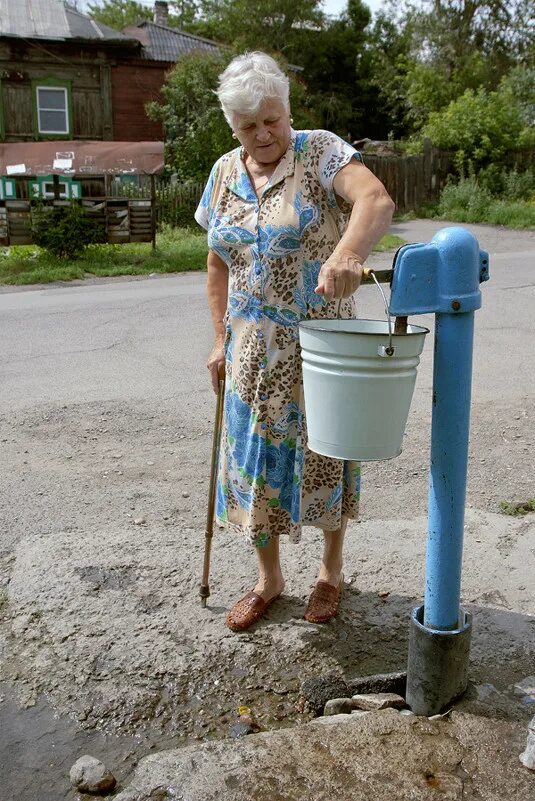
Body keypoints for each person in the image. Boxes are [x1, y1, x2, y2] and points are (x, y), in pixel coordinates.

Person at [195, 51, 394, 632]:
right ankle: (269, 579)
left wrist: (349, 252)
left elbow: (375, 200)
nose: (263, 133)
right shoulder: (223, 174)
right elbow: (216, 264)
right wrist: (218, 341)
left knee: (326, 457)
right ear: (233, 128)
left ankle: (331, 573)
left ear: (288, 111)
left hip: (320, 349)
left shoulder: (321, 151)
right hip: (252, 354)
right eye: (248, 125)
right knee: (255, 465)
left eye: (272, 119)